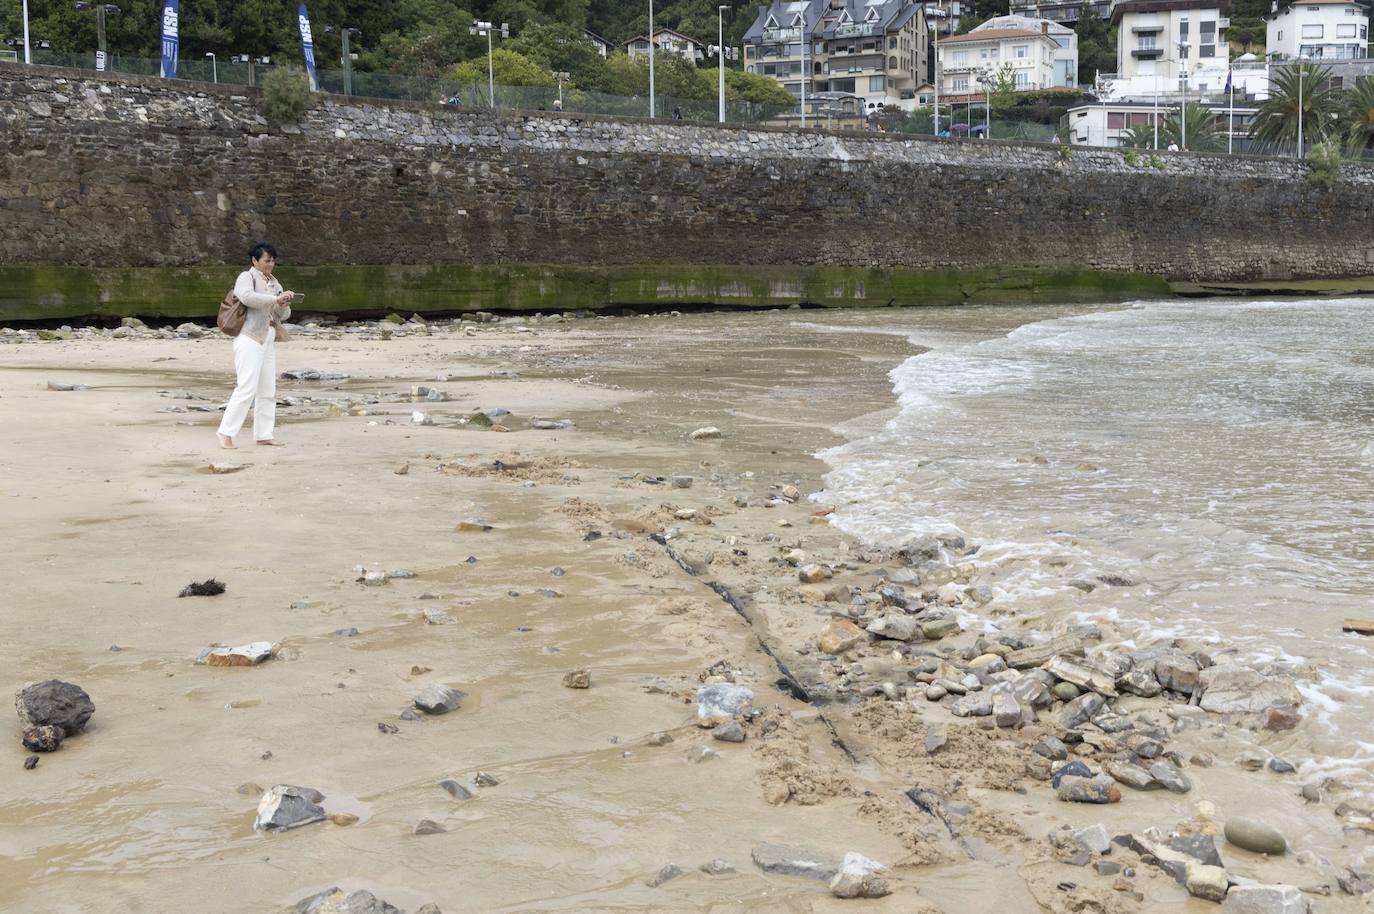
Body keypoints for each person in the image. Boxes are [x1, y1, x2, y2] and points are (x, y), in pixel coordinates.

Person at [217, 242, 295, 449]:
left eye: (272, 261)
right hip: (249, 336)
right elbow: (246, 297)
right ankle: (226, 433)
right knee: (246, 387)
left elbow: (283, 315)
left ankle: (263, 434)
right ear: (255, 260)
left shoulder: (274, 282)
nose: (270, 264)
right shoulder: (246, 277)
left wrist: (283, 303)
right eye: (266, 260)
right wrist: (275, 298)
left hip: (268, 336)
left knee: (268, 389)